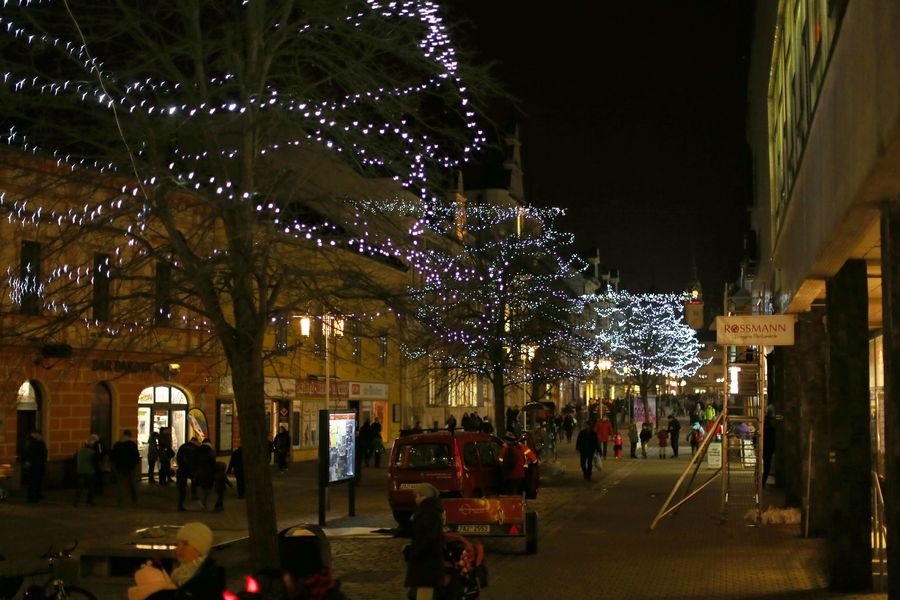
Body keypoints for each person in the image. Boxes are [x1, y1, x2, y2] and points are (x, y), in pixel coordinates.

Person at [129, 521, 226, 600]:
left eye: (185, 544)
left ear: (199, 548)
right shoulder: (181, 574)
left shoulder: (210, 577)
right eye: (178, 544)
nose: (178, 549)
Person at [404, 483, 444, 600]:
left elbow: (429, 538)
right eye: (416, 496)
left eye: (419, 496)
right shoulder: (425, 511)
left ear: (427, 497)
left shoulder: (429, 513)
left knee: (424, 594)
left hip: (426, 563)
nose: (416, 499)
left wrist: (415, 552)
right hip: (425, 562)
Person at [110, 429, 141, 505]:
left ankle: (120, 500)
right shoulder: (132, 444)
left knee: (120, 484)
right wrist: (136, 463)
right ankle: (134, 499)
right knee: (132, 484)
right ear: (130, 435)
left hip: (119, 466)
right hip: (130, 467)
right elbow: (136, 456)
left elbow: (113, 455)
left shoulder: (117, 444)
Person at [22, 429, 48, 504]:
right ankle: (32, 497)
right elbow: (30, 454)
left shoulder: (37, 442)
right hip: (34, 465)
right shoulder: (32, 442)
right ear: (35, 435)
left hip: (38, 464)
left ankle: (36, 495)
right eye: (39, 435)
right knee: (33, 481)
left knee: (37, 481)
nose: (41, 437)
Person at [73, 435, 99, 507]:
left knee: (79, 487)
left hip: (80, 470)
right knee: (91, 487)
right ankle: (89, 500)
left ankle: (76, 500)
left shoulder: (79, 451)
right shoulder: (92, 452)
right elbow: (95, 462)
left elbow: (74, 459)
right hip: (89, 471)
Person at [176, 437, 200, 511]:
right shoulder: (196, 448)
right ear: (195, 441)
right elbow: (197, 459)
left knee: (182, 488)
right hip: (192, 469)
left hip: (182, 468)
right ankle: (194, 494)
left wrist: (180, 465)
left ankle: (180, 505)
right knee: (194, 481)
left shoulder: (183, 446)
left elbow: (178, 457)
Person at [195, 438, 217, 511]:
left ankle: (202, 502)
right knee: (208, 488)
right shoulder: (211, 451)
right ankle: (203, 502)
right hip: (208, 472)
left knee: (201, 487)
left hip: (199, 471)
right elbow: (213, 463)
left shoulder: (197, 450)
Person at [761, 411, 777, 487]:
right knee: (767, 467)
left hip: (763, 450)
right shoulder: (771, 430)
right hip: (768, 451)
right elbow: (773, 440)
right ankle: (762, 483)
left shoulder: (762, 429)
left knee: (763, 466)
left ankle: (760, 482)